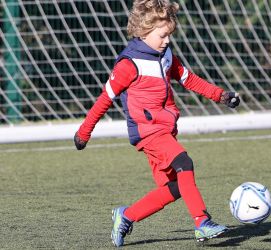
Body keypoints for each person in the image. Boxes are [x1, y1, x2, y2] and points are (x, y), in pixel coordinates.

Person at [73, 0, 240, 247]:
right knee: (185, 162)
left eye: (169, 35)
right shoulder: (128, 64)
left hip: (165, 131)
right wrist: (84, 132)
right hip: (147, 132)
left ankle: (126, 216)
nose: (167, 40)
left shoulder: (166, 55)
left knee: (174, 188)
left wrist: (221, 95)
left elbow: (189, 79)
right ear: (143, 31)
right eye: (163, 35)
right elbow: (104, 99)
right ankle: (202, 222)